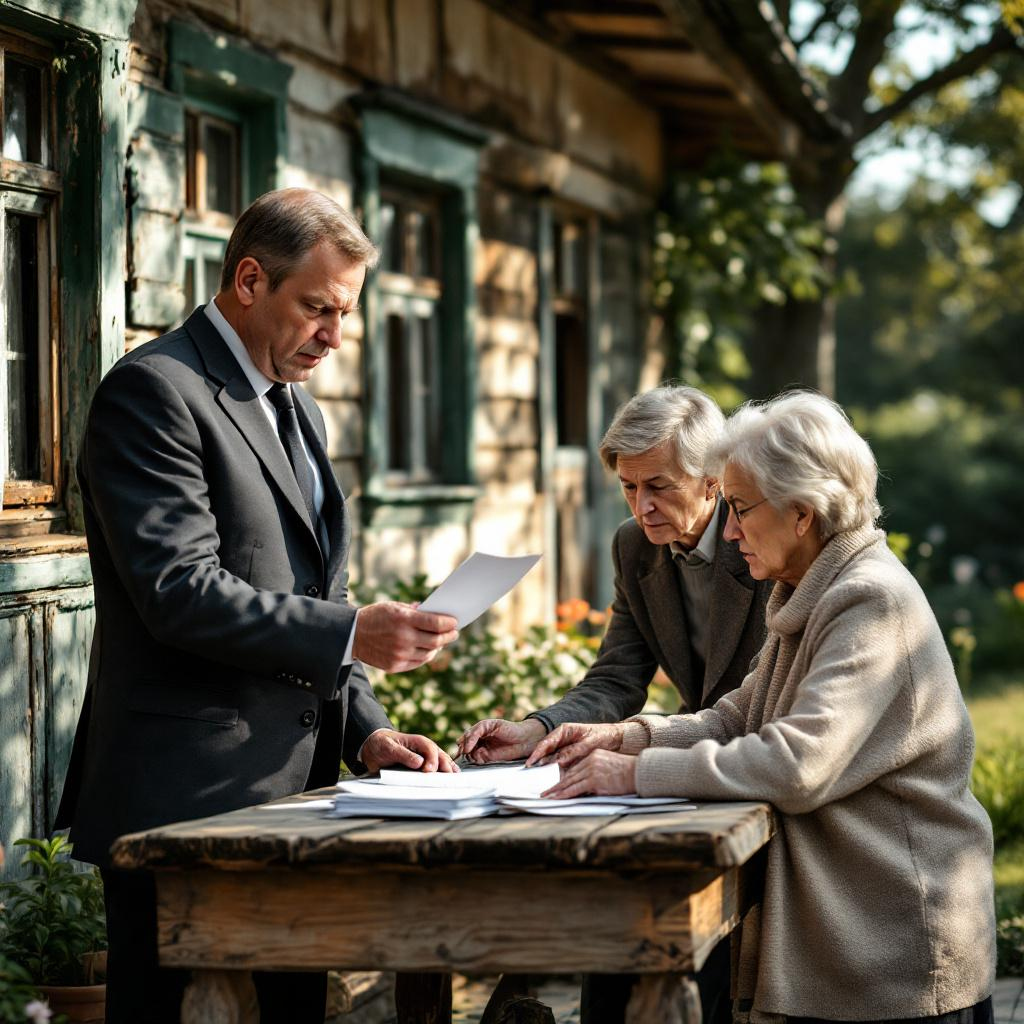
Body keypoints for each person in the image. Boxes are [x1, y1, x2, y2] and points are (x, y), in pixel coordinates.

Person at [54, 189, 461, 1023]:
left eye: (344, 314)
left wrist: (369, 734)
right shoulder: (153, 391)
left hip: (295, 808)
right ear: (248, 280)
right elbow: (180, 592)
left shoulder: (298, 409)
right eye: (318, 309)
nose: (335, 338)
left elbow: (318, 595)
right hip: (181, 810)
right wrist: (353, 631)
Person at [530, 391, 996, 1024]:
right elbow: (734, 716)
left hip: (897, 951)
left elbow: (798, 764)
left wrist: (633, 774)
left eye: (741, 508)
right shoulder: (809, 591)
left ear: (801, 514)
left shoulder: (867, 601)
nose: (729, 528)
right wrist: (623, 740)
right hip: (847, 935)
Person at [458, 384, 772, 1024]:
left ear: (712, 482)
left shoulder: (761, 540)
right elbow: (617, 676)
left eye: (658, 486)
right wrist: (535, 727)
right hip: (687, 768)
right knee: (614, 925)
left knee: (690, 956)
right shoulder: (634, 546)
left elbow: (765, 699)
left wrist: (641, 743)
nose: (641, 506)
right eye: (629, 488)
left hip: (757, 764)